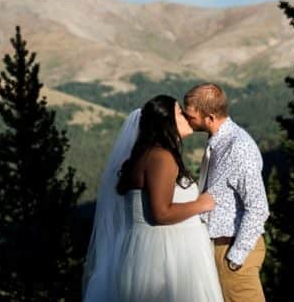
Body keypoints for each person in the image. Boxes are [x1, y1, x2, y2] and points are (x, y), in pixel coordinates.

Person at [83, 95, 224, 302]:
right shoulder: (161, 157)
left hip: (158, 249)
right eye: (179, 112)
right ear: (166, 121)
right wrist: (201, 204)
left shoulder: (150, 154)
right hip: (165, 256)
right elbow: (161, 213)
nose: (186, 115)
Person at [184, 83, 269, 302]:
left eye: (190, 115)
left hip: (233, 247)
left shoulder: (238, 147)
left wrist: (235, 258)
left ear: (209, 117)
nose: (186, 119)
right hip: (219, 246)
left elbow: (258, 207)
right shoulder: (218, 143)